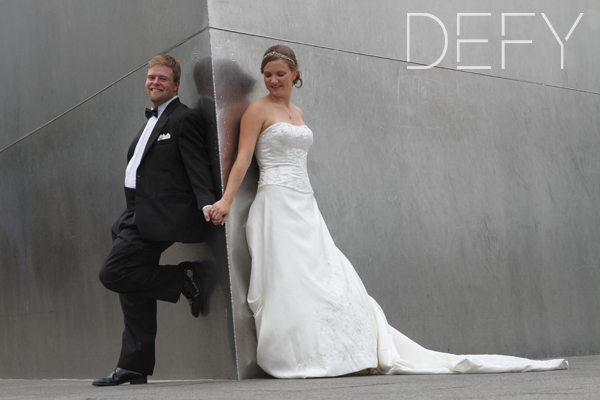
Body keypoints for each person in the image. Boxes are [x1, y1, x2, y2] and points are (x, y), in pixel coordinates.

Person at [209, 45, 568, 378]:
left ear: (295, 74)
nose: (273, 80)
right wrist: (226, 200)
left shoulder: (298, 112)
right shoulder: (257, 110)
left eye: (279, 74)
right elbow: (241, 159)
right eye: (267, 74)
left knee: (329, 275)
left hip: (306, 202)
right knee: (291, 277)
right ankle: (302, 354)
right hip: (276, 203)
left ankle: (347, 352)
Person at [94, 54, 217, 386]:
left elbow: (196, 165)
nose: (155, 82)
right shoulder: (149, 122)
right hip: (133, 213)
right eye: (151, 77)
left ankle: (185, 277)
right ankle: (133, 365)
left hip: (158, 215)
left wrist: (207, 202)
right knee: (134, 291)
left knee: (114, 273)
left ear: (175, 85)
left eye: (162, 79)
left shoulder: (183, 119)